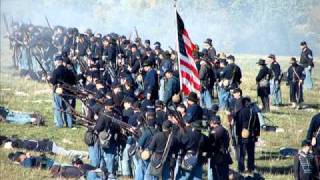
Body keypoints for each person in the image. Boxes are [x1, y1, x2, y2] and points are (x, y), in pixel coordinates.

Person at [235, 97, 260, 174]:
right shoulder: (254, 112)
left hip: (242, 135)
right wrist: (256, 135)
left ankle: (241, 168)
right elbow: (257, 125)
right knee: (251, 153)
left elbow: (238, 125)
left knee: (242, 153)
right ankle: (250, 168)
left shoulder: (240, 112)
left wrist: (238, 134)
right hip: (252, 135)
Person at [208, 115, 232, 180]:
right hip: (224, 153)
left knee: (217, 175)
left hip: (218, 155)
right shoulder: (224, 129)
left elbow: (211, 143)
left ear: (213, 122)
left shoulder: (215, 131)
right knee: (224, 174)